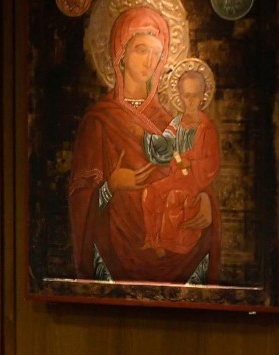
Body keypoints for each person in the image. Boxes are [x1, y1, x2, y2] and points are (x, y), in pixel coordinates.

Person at [68, 6, 220, 284]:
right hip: (115, 249)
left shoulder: (171, 121)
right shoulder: (99, 121)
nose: (149, 61)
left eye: (156, 53)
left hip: (175, 243)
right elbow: (80, 200)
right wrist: (111, 186)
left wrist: (206, 202)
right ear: (121, 52)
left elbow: (191, 174)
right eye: (141, 50)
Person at [141, 68, 221, 258]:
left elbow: (212, 162)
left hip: (195, 181)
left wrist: (191, 164)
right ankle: (153, 240)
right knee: (149, 193)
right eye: (186, 96)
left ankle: (171, 244)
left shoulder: (206, 128)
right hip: (176, 177)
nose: (190, 101)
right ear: (180, 96)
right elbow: (165, 145)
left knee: (173, 198)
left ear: (202, 96)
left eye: (195, 96)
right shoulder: (177, 123)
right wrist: (146, 135)